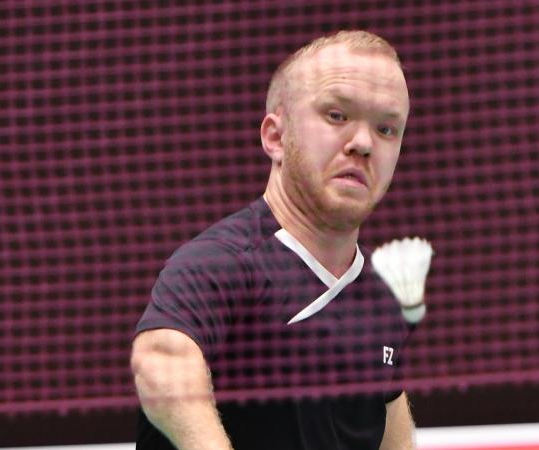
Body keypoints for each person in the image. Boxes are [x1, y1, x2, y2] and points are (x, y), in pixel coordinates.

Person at [131, 30, 415, 450]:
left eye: (386, 128)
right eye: (337, 116)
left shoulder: (383, 294)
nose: (363, 143)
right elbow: (160, 360)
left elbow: (390, 419)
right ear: (275, 137)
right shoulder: (221, 263)